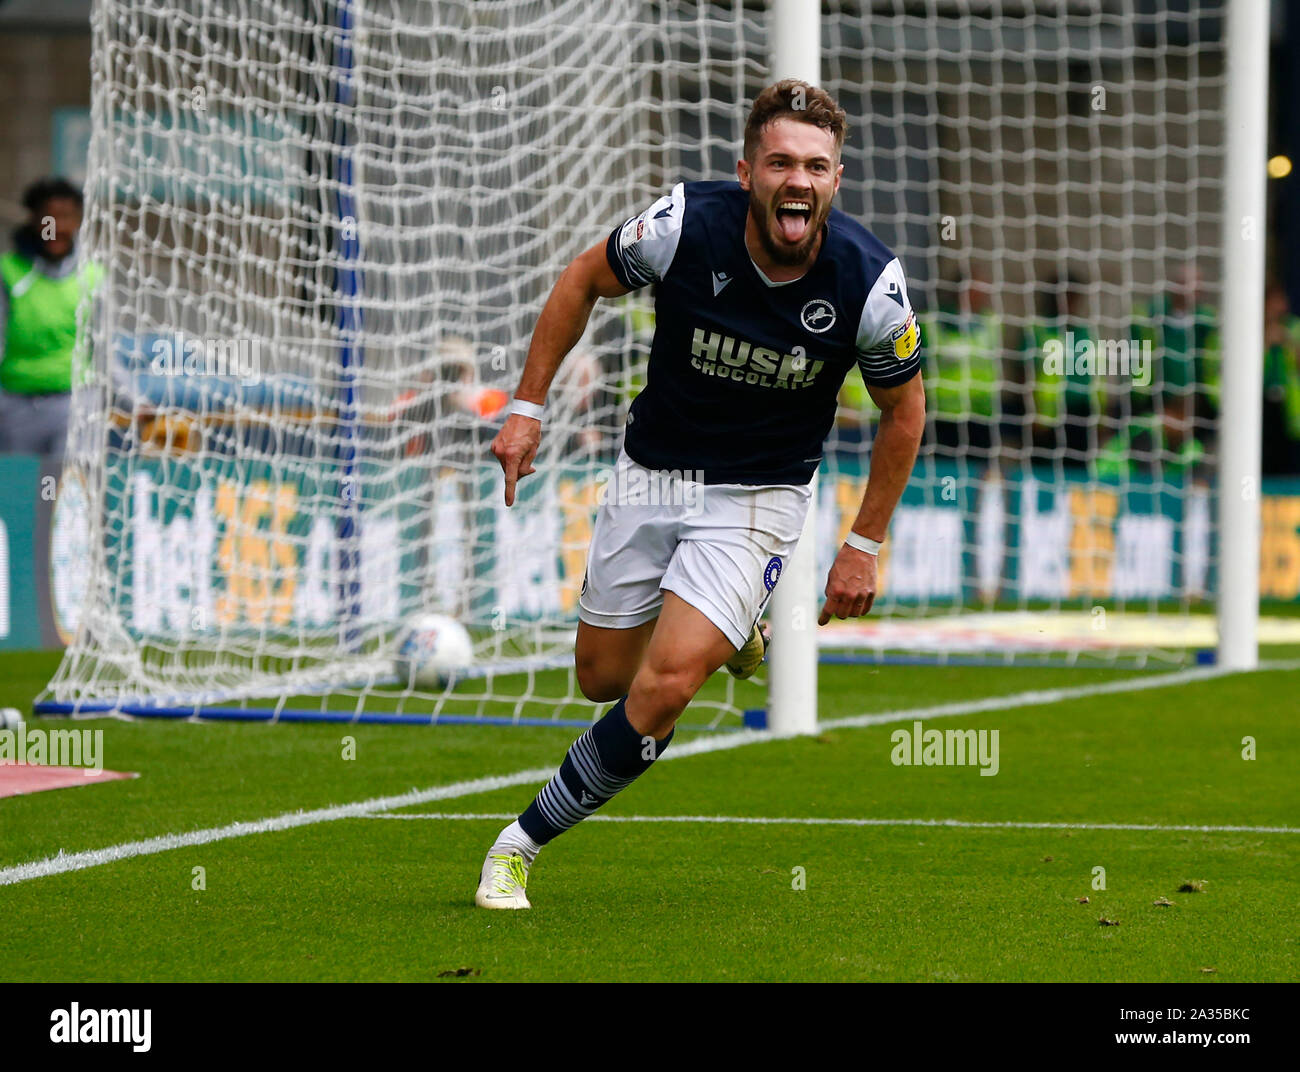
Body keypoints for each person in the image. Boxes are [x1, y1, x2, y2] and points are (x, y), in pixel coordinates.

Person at [477, 80, 925, 909]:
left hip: (759, 495)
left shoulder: (869, 281)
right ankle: (733, 630)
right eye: (782, 162)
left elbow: (905, 413)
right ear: (748, 170)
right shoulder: (683, 224)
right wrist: (527, 410)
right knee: (603, 680)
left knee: (666, 687)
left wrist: (861, 545)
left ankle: (519, 844)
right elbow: (582, 279)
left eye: (817, 166)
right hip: (654, 474)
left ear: (836, 179)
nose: (799, 180)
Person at [0, 177, 100, 459]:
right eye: (49, 219)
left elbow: (104, 350)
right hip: (14, 406)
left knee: (62, 494)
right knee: (17, 496)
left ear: (78, 221)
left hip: (74, 405)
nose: (57, 228)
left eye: (66, 218)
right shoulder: (9, 271)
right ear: (34, 221)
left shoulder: (92, 277)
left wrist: (132, 399)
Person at [1262, 280, 1300, 476]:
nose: (1280, 307)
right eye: (1275, 302)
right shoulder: (1249, 331)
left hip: (1288, 410)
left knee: (1288, 467)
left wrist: (1289, 344)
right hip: (1259, 404)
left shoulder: (1294, 328)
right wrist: (1266, 342)